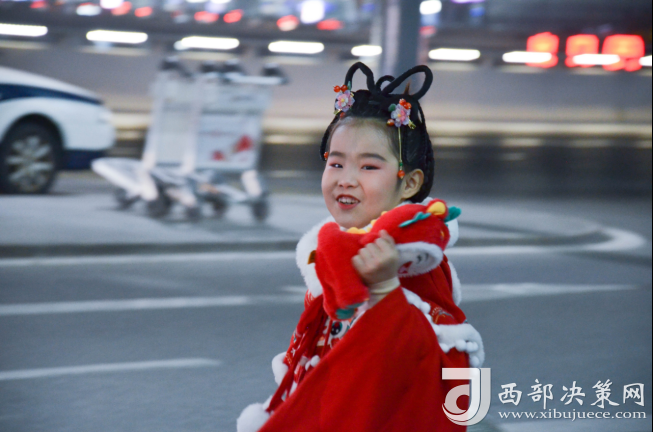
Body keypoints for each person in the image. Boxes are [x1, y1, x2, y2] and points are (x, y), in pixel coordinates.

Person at [237, 62, 484, 432]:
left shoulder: (413, 261)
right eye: (336, 163)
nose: (346, 180)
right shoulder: (335, 250)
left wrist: (385, 289)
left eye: (368, 167)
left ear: (410, 183)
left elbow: (440, 367)